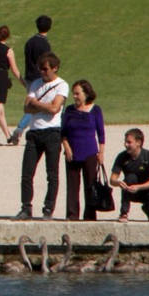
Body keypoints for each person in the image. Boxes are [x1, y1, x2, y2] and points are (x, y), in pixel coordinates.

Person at [14, 52, 68, 220]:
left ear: (55, 68)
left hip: (52, 132)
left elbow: (54, 109)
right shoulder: (36, 83)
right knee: (26, 173)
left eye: (45, 69)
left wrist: (36, 103)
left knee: (52, 174)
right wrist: (42, 106)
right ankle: (26, 207)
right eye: (40, 69)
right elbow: (26, 108)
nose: (42, 72)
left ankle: (48, 208)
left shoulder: (61, 85)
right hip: (34, 131)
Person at [59, 78, 105, 220]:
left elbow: (101, 133)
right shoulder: (69, 110)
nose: (75, 96)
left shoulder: (95, 110)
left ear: (86, 94)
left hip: (90, 152)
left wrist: (101, 152)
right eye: (74, 93)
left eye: (77, 93)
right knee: (72, 185)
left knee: (90, 185)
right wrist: (66, 147)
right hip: (72, 152)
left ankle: (90, 215)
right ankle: (72, 215)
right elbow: (63, 132)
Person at [110, 128, 149, 221]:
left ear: (138, 142)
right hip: (129, 190)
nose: (126, 145)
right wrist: (118, 183)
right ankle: (124, 213)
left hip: (146, 190)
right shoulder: (121, 157)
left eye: (129, 142)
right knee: (130, 177)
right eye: (125, 142)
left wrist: (139, 187)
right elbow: (112, 179)